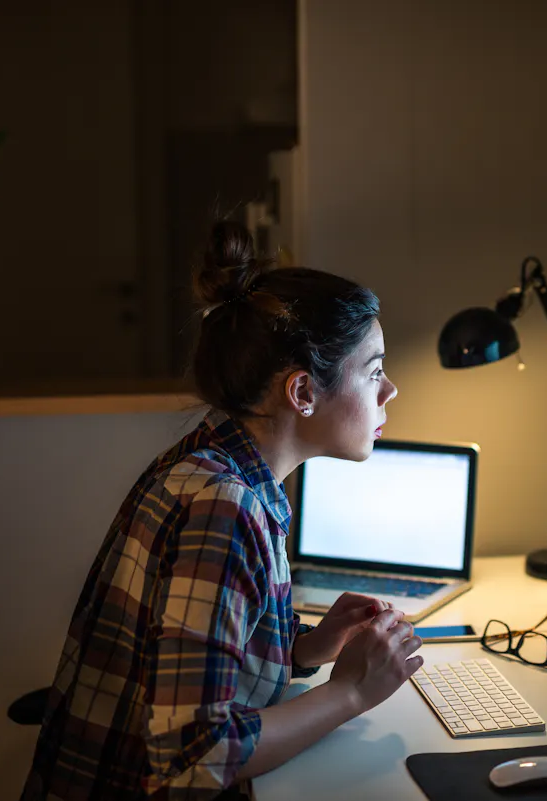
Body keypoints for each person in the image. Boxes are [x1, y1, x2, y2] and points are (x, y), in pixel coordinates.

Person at [21, 220, 422, 800]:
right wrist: (350, 694)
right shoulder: (225, 507)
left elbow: (197, 644)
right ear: (302, 393)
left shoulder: (221, 458)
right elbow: (194, 756)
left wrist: (308, 645)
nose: (390, 391)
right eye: (374, 370)